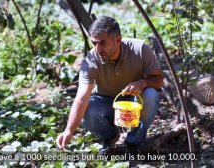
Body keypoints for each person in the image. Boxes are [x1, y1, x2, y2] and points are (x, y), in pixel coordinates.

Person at [56, 16, 164, 154]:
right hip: (106, 103)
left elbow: (159, 80)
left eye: (102, 43)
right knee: (87, 111)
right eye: (94, 43)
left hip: (135, 102)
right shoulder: (90, 61)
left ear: (118, 39)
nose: (98, 48)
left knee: (151, 95)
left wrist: (143, 82)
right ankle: (110, 135)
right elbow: (81, 98)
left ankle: (134, 141)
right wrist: (68, 131)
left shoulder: (140, 49)